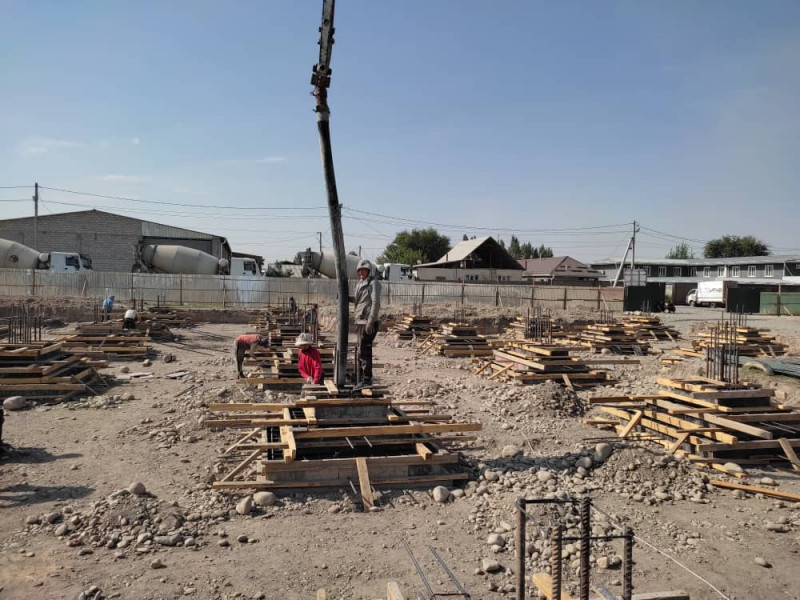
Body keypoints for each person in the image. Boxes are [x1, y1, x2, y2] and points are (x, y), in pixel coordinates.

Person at [351, 258, 381, 386]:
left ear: (369, 271)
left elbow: (376, 303)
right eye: (359, 270)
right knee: (360, 349)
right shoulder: (359, 284)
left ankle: (366, 378)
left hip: (368, 322)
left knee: (365, 350)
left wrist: (370, 321)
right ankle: (359, 375)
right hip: (360, 321)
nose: (361, 272)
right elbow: (359, 300)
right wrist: (346, 297)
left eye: (364, 270)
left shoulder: (373, 284)